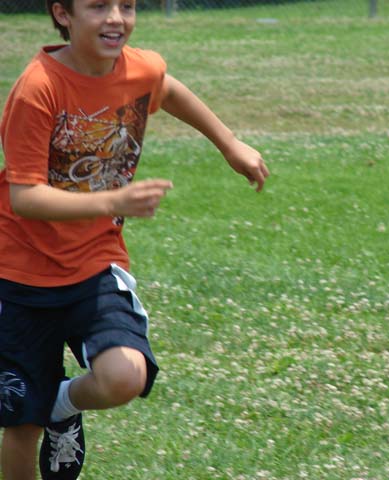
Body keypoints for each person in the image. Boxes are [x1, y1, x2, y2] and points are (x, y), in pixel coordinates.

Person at [0, 0, 270, 478]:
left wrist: (230, 144)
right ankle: (40, 410)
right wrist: (113, 202)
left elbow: (166, 88)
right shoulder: (38, 88)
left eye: (127, 5)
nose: (116, 18)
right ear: (62, 14)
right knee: (21, 427)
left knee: (125, 376)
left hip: (94, 263)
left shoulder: (139, 69)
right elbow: (26, 198)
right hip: (20, 274)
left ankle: (60, 405)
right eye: (98, 6)